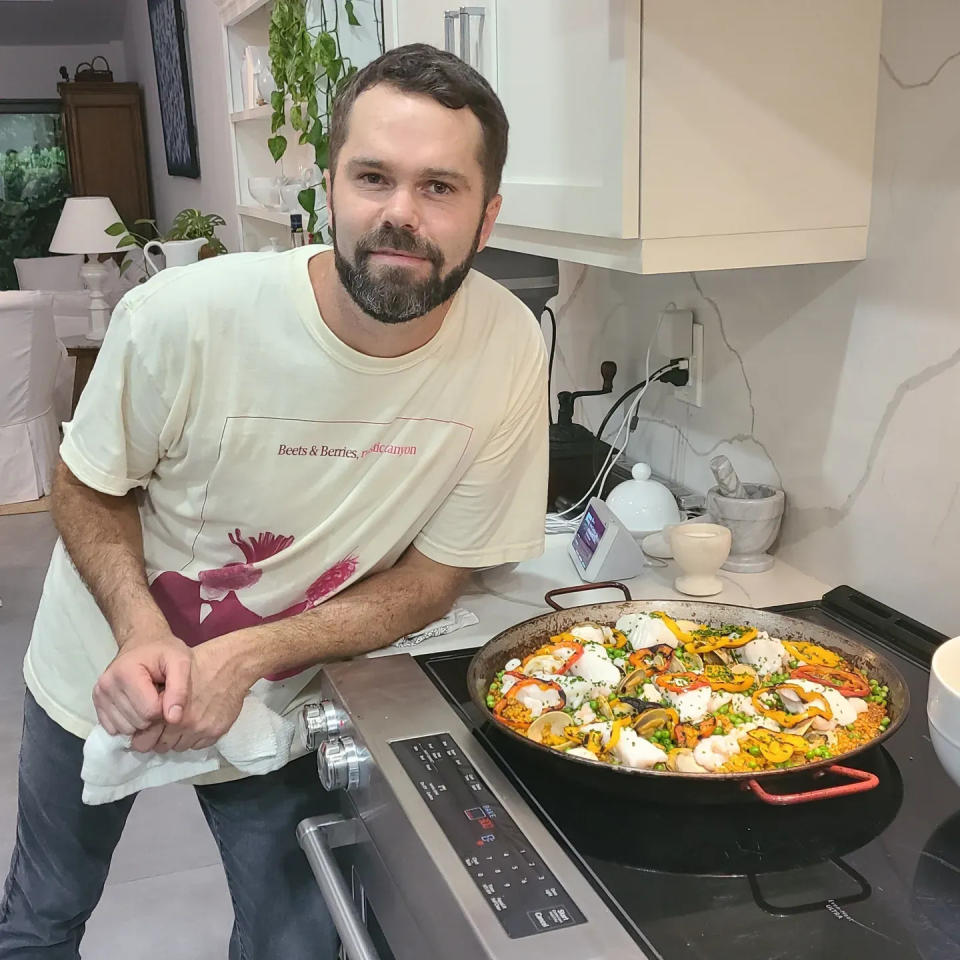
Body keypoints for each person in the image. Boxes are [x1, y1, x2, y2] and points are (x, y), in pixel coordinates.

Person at [0, 43, 547, 958]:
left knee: (300, 940)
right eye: (373, 176)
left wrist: (249, 655)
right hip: (101, 660)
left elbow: (434, 577)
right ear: (328, 186)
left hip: (285, 690)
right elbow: (87, 487)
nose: (400, 216)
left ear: (488, 218)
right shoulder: (182, 316)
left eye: (440, 187)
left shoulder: (506, 349)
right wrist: (142, 633)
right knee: (44, 916)